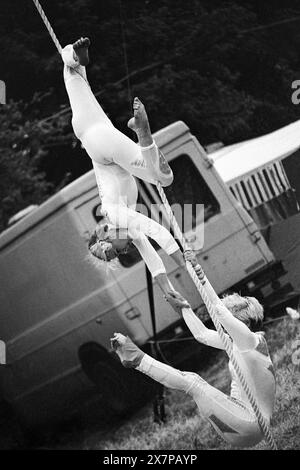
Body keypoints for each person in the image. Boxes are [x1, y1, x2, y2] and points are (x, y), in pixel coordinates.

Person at [61, 37, 188, 301]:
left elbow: (160, 232)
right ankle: (76, 57)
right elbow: (152, 258)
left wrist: (188, 264)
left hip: (101, 145)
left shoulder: (116, 215)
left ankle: (143, 132)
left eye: (118, 251)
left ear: (105, 233)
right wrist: (168, 292)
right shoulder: (125, 223)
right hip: (90, 131)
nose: (126, 249)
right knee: (73, 75)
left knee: (164, 178)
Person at [111, 291, 276, 448]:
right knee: (194, 384)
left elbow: (220, 312)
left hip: (251, 424)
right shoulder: (236, 344)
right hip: (239, 419)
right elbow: (202, 334)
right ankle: (137, 360)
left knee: (194, 383)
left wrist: (196, 268)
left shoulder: (250, 342)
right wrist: (185, 308)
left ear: (245, 323)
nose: (223, 328)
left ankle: (137, 360)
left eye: (228, 324)